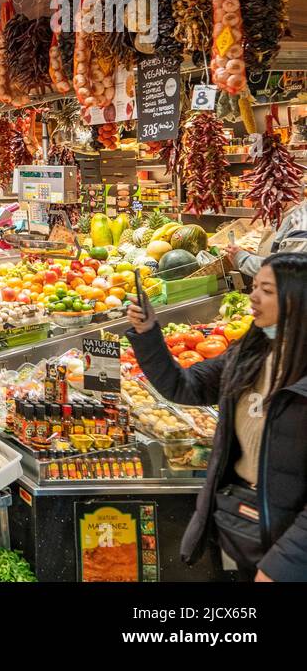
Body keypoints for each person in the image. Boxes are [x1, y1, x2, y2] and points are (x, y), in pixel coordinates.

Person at [125, 253, 307, 581]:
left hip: (287, 542)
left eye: (266, 290)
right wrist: (147, 331)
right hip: (241, 522)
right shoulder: (248, 354)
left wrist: (282, 565)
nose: (253, 297)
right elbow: (184, 386)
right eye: (254, 286)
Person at [224, 197, 307, 277]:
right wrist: (248, 255)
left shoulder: (301, 222)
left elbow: (283, 269)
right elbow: (276, 254)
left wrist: (243, 258)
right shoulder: (286, 215)